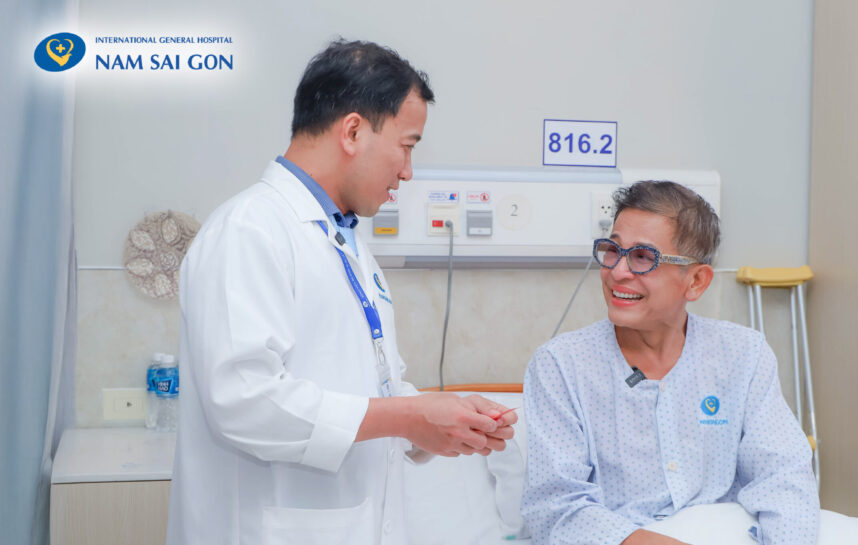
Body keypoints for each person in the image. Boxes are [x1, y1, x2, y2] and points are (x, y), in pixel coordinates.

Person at [166, 39, 515, 545]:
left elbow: (368, 388)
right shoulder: (249, 230)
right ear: (352, 132)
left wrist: (441, 419)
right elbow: (244, 401)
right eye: (407, 145)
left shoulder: (344, 242)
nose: (408, 171)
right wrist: (409, 415)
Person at [521, 181, 818, 545]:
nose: (617, 271)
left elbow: (783, 477)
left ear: (696, 281)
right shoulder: (560, 366)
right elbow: (554, 508)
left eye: (643, 257)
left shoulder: (743, 355)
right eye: (612, 250)